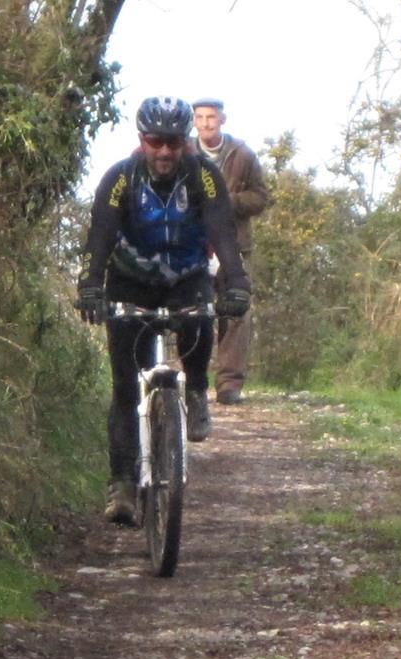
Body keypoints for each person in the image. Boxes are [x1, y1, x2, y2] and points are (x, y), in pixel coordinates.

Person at [76, 96, 251, 525]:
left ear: (186, 141)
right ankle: (122, 485)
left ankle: (197, 389)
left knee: (200, 318)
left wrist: (237, 282)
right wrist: (90, 287)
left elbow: (222, 232)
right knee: (124, 387)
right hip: (129, 280)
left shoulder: (203, 176)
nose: (166, 151)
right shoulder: (120, 177)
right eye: (156, 142)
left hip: (186, 277)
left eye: (174, 142)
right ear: (142, 140)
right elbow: (100, 235)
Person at [191, 97, 270, 406]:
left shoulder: (243, 154)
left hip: (234, 245)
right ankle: (193, 382)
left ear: (222, 120)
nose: (206, 123)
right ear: (194, 121)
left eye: (211, 117)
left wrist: (228, 201)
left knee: (237, 311)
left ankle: (229, 385)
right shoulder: (183, 153)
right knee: (191, 310)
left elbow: (260, 197)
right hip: (192, 245)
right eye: (200, 117)